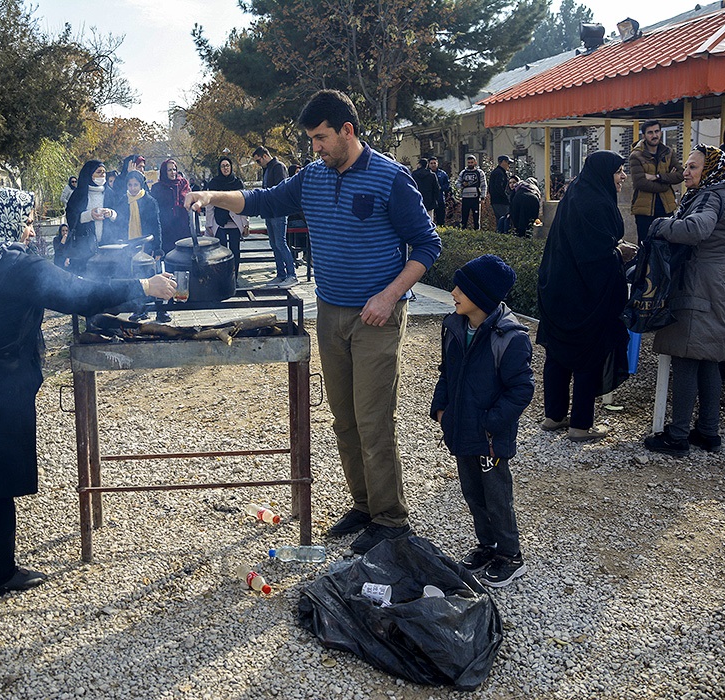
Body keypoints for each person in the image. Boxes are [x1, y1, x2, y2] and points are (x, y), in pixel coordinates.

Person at [185, 89, 441, 555]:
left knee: (373, 420)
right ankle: (364, 506)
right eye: (311, 140)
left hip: (376, 317)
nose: (315, 148)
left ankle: (391, 521)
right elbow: (262, 200)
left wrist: (389, 296)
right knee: (344, 418)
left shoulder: (392, 179)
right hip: (329, 312)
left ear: (347, 130)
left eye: (321, 138)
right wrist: (211, 195)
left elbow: (427, 247)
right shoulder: (312, 178)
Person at [0, 187, 175, 596]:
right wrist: (144, 285)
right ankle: (0, 575)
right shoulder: (15, 266)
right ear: (8, 220)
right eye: (24, 219)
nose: (28, 227)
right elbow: (78, 293)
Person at [431, 254, 533, 588]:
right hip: (462, 430)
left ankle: (510, 554)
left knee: (497, 496)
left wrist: (492, 422)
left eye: (462, 288)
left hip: (491, 437)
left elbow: (521, 390)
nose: (454, 291)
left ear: (483, 297)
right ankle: (487, 546)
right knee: (473, 493)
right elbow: (447, 373)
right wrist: (441, 408)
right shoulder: (454, 327)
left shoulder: (510, 338)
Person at [643, 145, 725, 456]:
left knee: (684, 360)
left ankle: (678, 436)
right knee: (708, 361)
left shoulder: (710, 196)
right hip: (717, 283)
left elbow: (697, 229)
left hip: (696, 284)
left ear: (709, 170)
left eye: (693, 167)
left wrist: (659, 225)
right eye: (685, 166)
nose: (686, 172)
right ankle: (708, 432)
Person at [536, 151, 637, 442]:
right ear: (604, 173)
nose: (623, 176)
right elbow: (592, 257)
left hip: (557, 287)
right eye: (619, 171)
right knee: (587, 353)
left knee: (557, 352)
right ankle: (580, 425)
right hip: (583, 292)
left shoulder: (577, 194)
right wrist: (618, 252)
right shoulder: (595, 202)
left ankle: (553, 417)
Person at [110, 170, 166, 322]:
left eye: (136, 185)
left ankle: (161, 310)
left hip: (147, 245)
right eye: (130, 185)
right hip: (129, 246)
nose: (133, 188)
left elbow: (156, 226)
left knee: (154, 275)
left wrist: (158, 247)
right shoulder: (122, 201)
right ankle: (140, 309)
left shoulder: (149, 201)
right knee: (136, 278)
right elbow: (119, 224)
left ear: (141, 185)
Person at [629, 120, 682, 244]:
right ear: (644, 135)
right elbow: (640, 182)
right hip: (644, 209)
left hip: (666, 206)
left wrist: (657, 176)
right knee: (645, 244)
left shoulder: (668, 152)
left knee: (667, 243)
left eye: (657, 131)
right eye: (650, 133)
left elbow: (680, 174)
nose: (654, 135)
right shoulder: (636, 155)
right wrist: (666, 183)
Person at [252, 146, 297, 287]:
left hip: (278, 211)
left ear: (264, 156)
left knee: (280, 242)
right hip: (269, 211)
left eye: (258, 161)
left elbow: (281, 189)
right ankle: (281, 274)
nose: (258, 164)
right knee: (274, 243)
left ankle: (292, 274)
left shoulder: (278, 167)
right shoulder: (267, 169)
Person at [65, 160, 118, 275]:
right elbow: (70, 215)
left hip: (107, 246)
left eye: (104, 173)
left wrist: (111, 213)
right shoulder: (79, 194)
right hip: (84, 249)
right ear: (89, 174)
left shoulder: (110, 193)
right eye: (99, 172)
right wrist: (89, 215)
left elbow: (121, 215)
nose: (102, 175)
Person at [204, 156, 248, 283]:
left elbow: (244, 203)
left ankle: (234, 279)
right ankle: (223, 279)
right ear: (219, 168)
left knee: (235, 252)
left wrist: (245, 224)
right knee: (221, 253)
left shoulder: (237, 182)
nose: (225, 168)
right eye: (223, 166)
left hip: (235, 222)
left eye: (227, 165)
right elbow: (210, 205)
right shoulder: (214, 183)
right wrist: (209, 225)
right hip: (219, 221)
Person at [150, 159, 191, 258]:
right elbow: (154, 208)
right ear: (164, 171)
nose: (173, 172)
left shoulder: (183, 184)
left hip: (182, 226)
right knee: (169, 258)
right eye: (169, 170)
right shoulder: (157, 187)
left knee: (184, 257)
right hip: (166, 228)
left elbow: (188, 200)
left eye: (174, 169)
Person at [458, 155, 486, 230]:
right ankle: (463, 231)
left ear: (475, 162)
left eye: (472, 162)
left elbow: (483, 185)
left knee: (476, 218)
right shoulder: (463, 172)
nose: (470, 164)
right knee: (464, 217)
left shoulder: (479, 172)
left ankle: (477, 231)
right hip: (465, 198)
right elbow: (457, 184)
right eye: (469, 162)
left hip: (475, 198)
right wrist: (462, 185)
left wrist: (483, 196)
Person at [488, 155, 512, 226]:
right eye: (508, 163)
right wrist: (506, 197)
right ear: (503, 162)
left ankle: (500, 234)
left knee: (499, 220)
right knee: (505, 220)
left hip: (495, 201)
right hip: (501, 202)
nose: (509, 165)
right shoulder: (500, 173)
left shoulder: (496, 172)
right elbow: (499, 187)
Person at [428, 156, 451, 226]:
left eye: (434, 163)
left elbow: (447, 185)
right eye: (431, 163)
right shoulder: (426, 174)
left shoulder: (442, 174)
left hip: (440, 199)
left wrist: (440, 188)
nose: (433, 165)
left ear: (437, 163)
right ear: (428, 164)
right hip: (429, 200)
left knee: (440, 219)